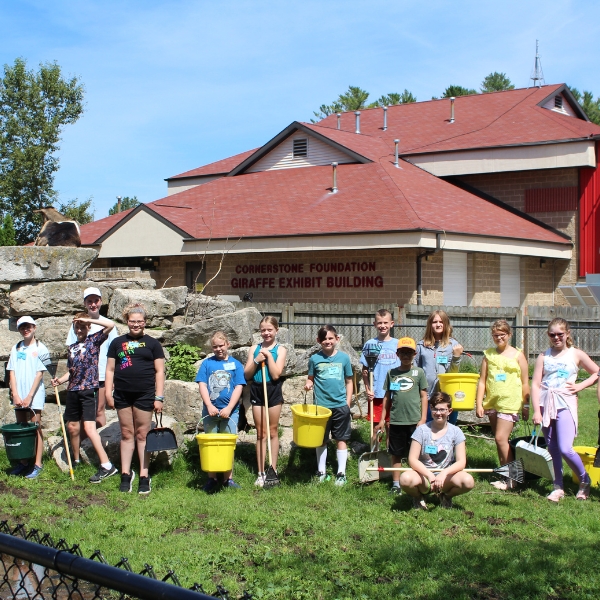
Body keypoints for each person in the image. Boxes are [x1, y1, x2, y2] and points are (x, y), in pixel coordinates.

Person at [532, 318, 599, 502]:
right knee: (552, 447)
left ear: (567, 333)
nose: (556, 338)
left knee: (565, 448)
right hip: (546, 403)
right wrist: (537, 410)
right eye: (552, 335)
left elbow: (597, 372)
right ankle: (558, 485)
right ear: (548, 335)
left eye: (560, 334)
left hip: (565, 403)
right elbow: (536, 384)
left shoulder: (575, 354)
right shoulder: (543, 356)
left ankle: (584, 479)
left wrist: (580, 386)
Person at [105, 303, 165, 495]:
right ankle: (125, 473)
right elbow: (110, 369)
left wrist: (159, 397)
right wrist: (108, 393)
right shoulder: (116, 343)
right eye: (132, 321)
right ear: (127, 321)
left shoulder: (153, 344)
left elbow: (160, 371)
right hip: (122, 393)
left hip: (145, 394)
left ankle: (144, 475)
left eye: (140, 321)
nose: (136, 324)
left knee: (142, 434)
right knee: (126, 433)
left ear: (145, 323)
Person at [51, 313, 117, 483]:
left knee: (89, 428)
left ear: (88, 327)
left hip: (88, 390)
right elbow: (71, 371)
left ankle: (107, 465)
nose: (79, 329)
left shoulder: (94, 341)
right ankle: (76, 460)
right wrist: (60, 380)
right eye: (77, 327)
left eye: (82, 326)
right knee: (72, 427)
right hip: (72, 390)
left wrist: (89, 320)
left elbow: (110, 324)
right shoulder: (72, 347)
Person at [475, 320, 530, 491]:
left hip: (510, 403)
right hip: (493, 402)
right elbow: (482, 381)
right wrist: (479, 403)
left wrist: (526, 405)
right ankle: (504, 475)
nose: (499, 338)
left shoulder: (518, 355)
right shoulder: (488, 355)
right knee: (500, 441)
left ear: (509, 335)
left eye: (502, 335)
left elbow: (525, 382)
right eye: (495, 335)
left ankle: (514, 478)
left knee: (500, 438)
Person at [400, 392, 474, 509]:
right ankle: (419, 497)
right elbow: (412, 459)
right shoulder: (421, 431)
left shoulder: (456, 432)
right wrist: (429, 475)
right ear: (430, 409)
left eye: (442, 410)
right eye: (435, 409)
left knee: (468, 481)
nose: (438, 413)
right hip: (424, 476)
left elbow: (461, 462)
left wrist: (443, 474)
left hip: (446, 478)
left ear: (449, 411)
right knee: (405, 479)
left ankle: (446, 496)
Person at [377, 337, 428, 494]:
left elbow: (424, 396)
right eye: (402, 352)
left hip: (414, 421)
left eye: (409, 352)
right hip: (396, 421)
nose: (406, 356)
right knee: (396, 454)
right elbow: (387, 397)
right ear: (397, 354)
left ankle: (419, 480)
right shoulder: (391, 373)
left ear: (415, 354)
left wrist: (423, 419)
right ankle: (396, 484)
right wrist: (382, 419)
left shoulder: (418, 372)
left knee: (417, 454)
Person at [197, 331, 246, 493]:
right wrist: (209, 405)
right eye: (215, 346)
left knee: (228, 445)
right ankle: (212, 478)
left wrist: (229, 408)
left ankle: (228, 478)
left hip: (230, 413)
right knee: (211, 444)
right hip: (210, 412)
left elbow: (239, 386)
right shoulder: (207, 364)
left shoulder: (236, 365)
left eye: (221, 345)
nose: (218, 349)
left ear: (228, 345)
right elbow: (202, 384)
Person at [304, 325, 353, 486]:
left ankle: (341, 473)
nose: (327, 341)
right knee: (321, 439)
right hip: (321, 407)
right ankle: (321, 471)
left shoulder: (344, 358)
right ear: (319, 341)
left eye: (331, 338)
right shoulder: (315, 359)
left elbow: (349, 381)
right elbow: (310, 377)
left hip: (340, 405)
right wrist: (308, 383)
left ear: (337, 339)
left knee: (341, 438)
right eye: (324, 339)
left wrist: (347, 403)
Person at [244, 316, 287, 487]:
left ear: (276, 330)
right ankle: (261, 472)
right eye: (263, 330)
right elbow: (246, 374)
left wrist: (268, 356)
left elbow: (276, 374)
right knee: (261, 433)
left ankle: (272, 469)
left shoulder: (281, 349)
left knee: (273, 430)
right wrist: (256, 360)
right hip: (257, 388)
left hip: (273, 388)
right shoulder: (254, 348)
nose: (266, 333)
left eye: (270, 329)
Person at [65, 287, 118, 428]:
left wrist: (112, 378)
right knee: (84, 413)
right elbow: (71, 350)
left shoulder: (107, 324)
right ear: (85, 303)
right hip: (81, 378)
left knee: (100, 411)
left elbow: (115, 352)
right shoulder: (76, 325)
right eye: (89, 301)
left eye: (96, 301)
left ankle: (99, 441)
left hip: (101, 375)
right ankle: (85, 444)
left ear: (101, 302)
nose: (93, 304)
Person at [6, 316, 51, 479]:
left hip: (34, 395)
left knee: (35, 426)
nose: (26, 329)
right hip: (19, 394)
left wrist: (30, 396)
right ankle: (23, 462)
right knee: (22, 427)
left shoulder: (41, 348)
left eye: (28, 326)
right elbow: (11, 371)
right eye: (22, 327)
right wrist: (16, 394)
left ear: (34, 327)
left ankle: (37, 463)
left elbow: (40, 374)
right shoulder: (16, 348)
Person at [414, 310, 463, 425]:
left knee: (448, 429)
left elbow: (453, 372)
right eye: (434, 321)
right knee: (428, 428)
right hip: (428, 396)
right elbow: (417, 370)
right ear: (430, 325)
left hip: (447, 396)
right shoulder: (421, 346)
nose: (438, 324)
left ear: (446, 324)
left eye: (441, 321)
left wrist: (456, 356)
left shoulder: (453, 345)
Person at [360, 309, 400, 441]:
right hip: (377, 392)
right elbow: (364, 370)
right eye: (379, 323)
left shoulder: (398, 344)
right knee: (376, 426)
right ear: (374, 324)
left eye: (385, 322)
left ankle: (390, 455)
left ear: (392, 324)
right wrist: (368, 389)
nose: (383, 325)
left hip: (395, 392)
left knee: (391, 426)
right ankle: (374, 455)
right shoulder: (370, 344)